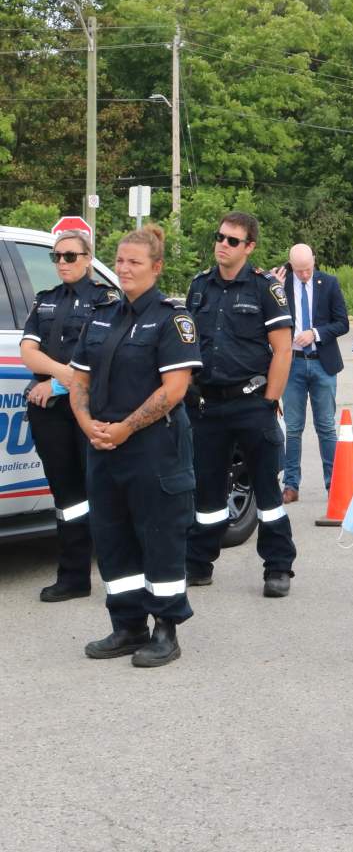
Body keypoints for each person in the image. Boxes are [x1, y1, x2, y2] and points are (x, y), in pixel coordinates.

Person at [67, 224, 201, 666]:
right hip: (103, 446)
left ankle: (166, 629)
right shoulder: (102, 314)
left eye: (134, 262)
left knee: (160, 538)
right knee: (112, 537)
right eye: (120, 261)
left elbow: (174, 389)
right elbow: (79, 378)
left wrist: (125, 427)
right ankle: (127, 626)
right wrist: (88, 423)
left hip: (152, 447)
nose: (123, 269)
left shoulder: (172, 318)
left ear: (156, 268)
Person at [184, 212, 298, 597]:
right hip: (207, 406)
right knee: (206, 491)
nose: (223, 244)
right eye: (220, 237)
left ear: (249, 247)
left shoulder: (266, 288)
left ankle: (278, 567)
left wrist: (270, 401)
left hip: (252, 404)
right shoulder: (199, 286)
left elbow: (283, 351)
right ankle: (199, 563)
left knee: (267, 493)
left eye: (233, 240)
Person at [20, 230, 117, 602]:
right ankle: (74, 577)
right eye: (57, 257)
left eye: (71, 256)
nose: (62, 263)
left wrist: (57, 384)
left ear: (88, 258)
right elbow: (29, 352)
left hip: (90, 409)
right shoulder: (45, 301)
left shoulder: (106, 301)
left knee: (103, 493)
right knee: (68, 496)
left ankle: (117, 577)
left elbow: (102, 355)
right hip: (50, 413)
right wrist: (62, 378)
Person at [274, 244, 349, 503]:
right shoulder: (279, 283)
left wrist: (315, 333)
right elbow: (266, 319)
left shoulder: (328, 283)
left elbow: (342, 322)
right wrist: (271, 288)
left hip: (322, 363)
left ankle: (334, 484)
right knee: (293, 428)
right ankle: (291, 486)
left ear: (314, 261)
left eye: (307, 269)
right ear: (290, 265)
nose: (304, 275)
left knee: (326, 427)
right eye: (299, 271)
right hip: (292, 364)